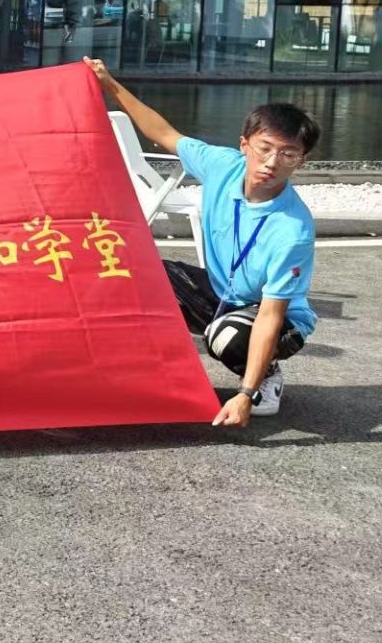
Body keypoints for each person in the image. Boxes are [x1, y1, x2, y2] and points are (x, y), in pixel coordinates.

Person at [88, 60, 318, 426]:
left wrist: (245, 395)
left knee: (226, 336)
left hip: (276, 317)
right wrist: (108, 84)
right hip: (222, 291)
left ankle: (265, 378)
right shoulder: (222, 165)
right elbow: (163, 131)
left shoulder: (293, 230)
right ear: (244, 145)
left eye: (288, 154)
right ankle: (144, 371)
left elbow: (271, 315)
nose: (272, 163)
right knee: (132, 274)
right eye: (264, 148)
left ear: (300, 161)